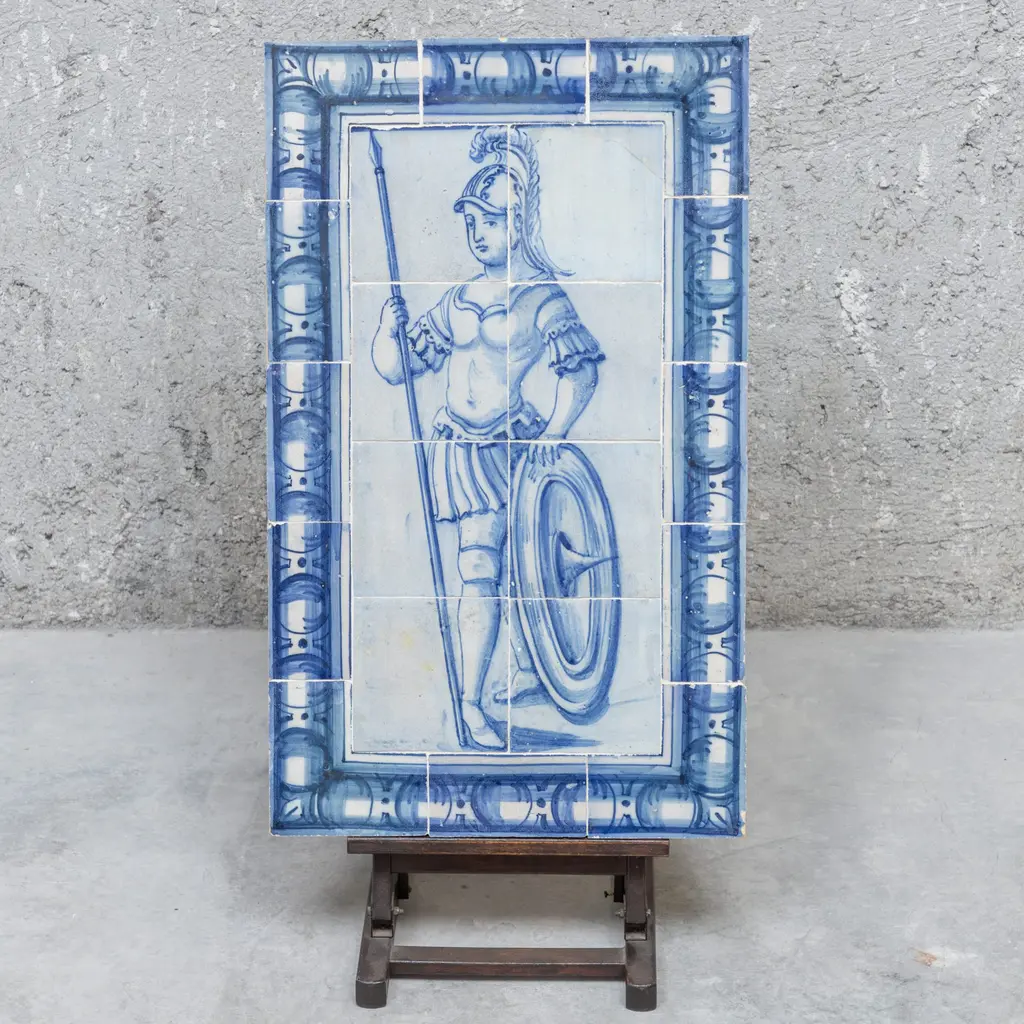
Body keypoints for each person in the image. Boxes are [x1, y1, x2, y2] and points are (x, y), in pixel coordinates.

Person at [371, 126, 605, 749]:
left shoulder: (540, 298)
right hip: (462, 448)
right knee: (480, 568)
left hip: (514, 446)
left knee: (521, 568)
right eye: (471, 221)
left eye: (491, 220)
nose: (477, 233)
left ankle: (518, 676)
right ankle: (474, 706)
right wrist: (387, 330)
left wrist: (556, 432)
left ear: (518, 225)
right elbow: (400, 368)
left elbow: (580, 372)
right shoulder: (457, 301)